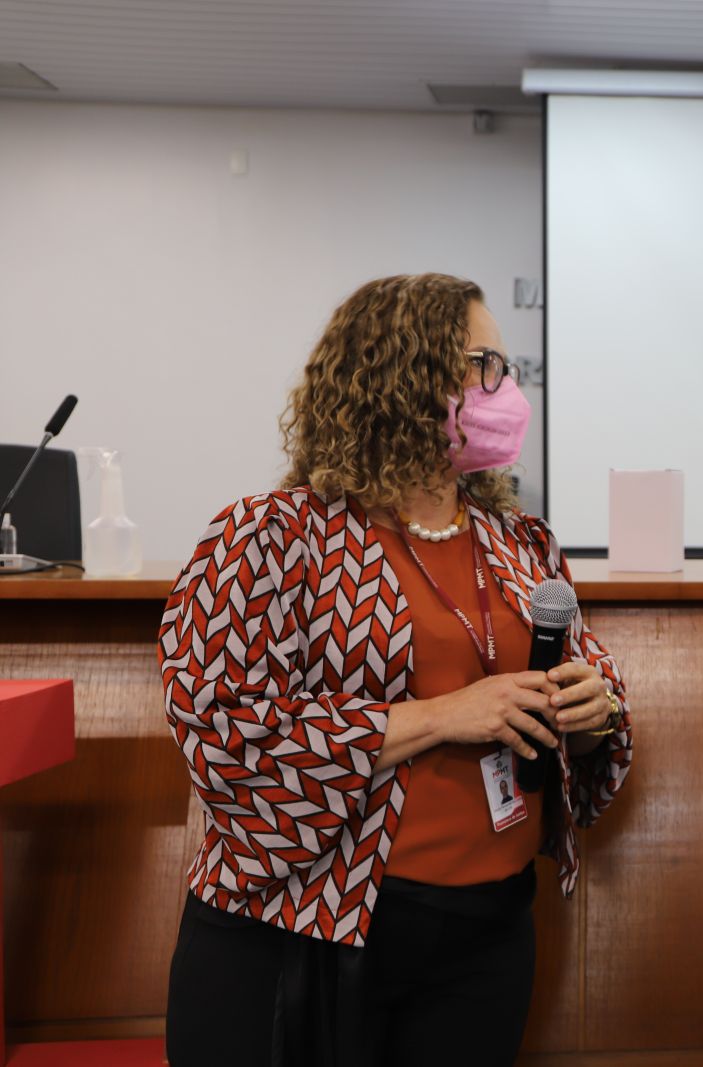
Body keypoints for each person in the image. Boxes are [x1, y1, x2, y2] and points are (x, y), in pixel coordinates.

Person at [159, 273, 632, 1067]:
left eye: (506, 369)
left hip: (488, 933)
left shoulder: (522, 543)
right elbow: (224, 731)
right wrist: (445, 714)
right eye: (484, 366)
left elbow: (582, 717)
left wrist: (592, 712)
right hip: (315, 929)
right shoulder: (273, 535)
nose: (505, 389)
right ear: (401, 375)